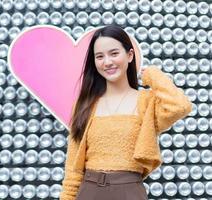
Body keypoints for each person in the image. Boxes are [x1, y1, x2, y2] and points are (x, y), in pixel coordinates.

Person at [59, 24, 193, 200]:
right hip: (89, 192)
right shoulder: (85, 104)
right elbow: (73, 167)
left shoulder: (146, 102)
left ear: (130, 55)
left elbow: (180, 106)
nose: (107, 62)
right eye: (99, 56)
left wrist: (152, 75)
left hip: (129, 192)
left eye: (114, 53)